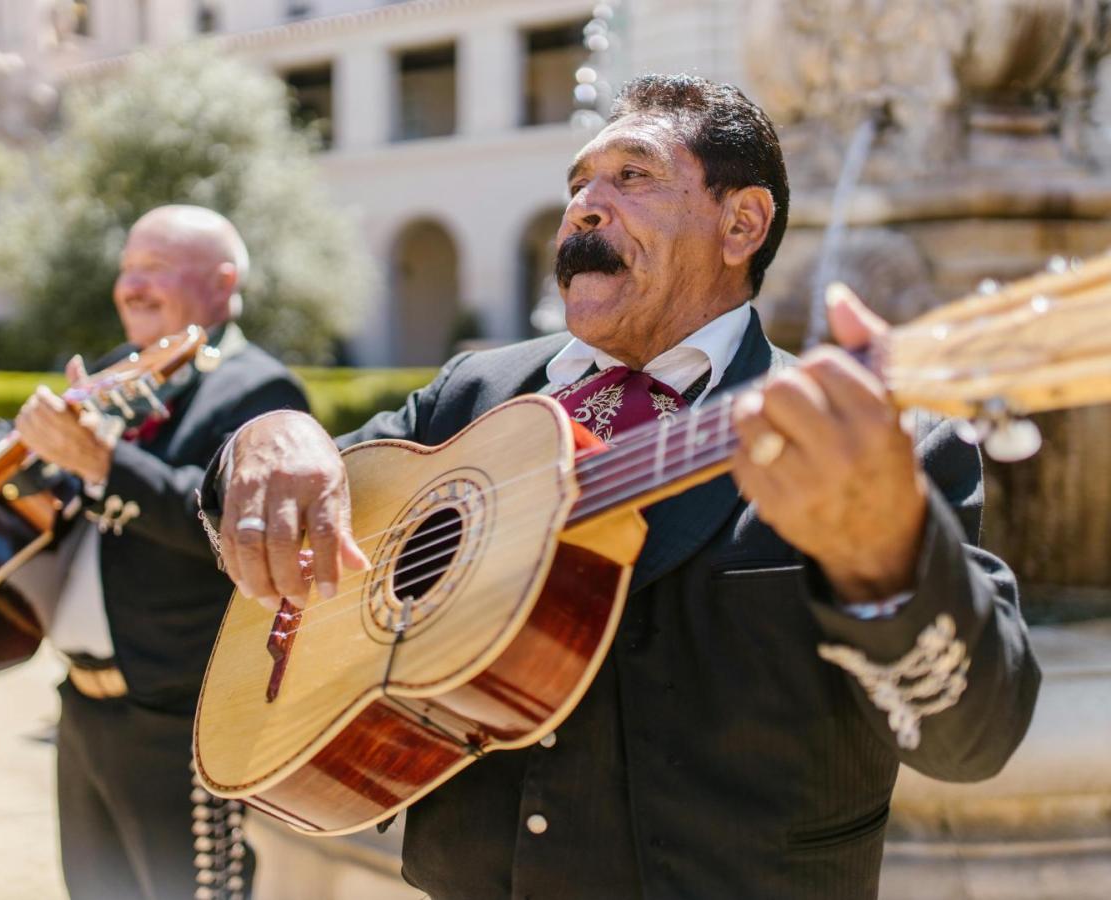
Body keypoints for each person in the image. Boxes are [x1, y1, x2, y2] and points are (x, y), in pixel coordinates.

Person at [202, 77, 1040, 899]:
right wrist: (265, 437)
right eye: (578, 184)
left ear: (742, 224)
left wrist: (886, 555)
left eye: (632, 175)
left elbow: (974, 739)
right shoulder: (475, 392)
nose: (583, 208)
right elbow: (302, 496)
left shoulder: (889, 446)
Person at [0, 205, 309, 900]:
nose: (131, 286)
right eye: (128, 269)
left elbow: (221, 521)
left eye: (156, 268)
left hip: (179, 717)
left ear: (222, 283)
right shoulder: (123, 370)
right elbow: (19, 435)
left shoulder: (260, 390)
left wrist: (102, 464)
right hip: (83, 707)